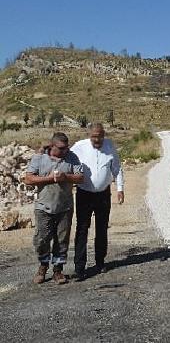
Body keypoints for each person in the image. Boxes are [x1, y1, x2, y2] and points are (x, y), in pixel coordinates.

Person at [24, 132, 84, 285]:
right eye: (62, 148)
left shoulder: (71, 157)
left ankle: (58, 270)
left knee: (62, 240)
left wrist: (66, 177)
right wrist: (48, 179)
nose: (65, 151)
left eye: (66, 147)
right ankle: (43, 266)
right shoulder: (40, 158)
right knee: (41, 240)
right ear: (52, 146)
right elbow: (28, 178)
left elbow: (80, 177)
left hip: (64, 207)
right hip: (44, 207)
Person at [70, 122, 124, 280]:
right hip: (84, 194)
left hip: (103, 194)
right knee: (82, 229)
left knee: (101, 229)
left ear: (104, 135)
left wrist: (120, 189)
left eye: (100, 136)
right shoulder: (79, 146)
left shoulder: (110, 146)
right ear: (89, 135)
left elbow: (117, 168)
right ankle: (80, 268)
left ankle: (100, 262)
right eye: (94, 137)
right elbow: (65, 155)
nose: (97, 140)